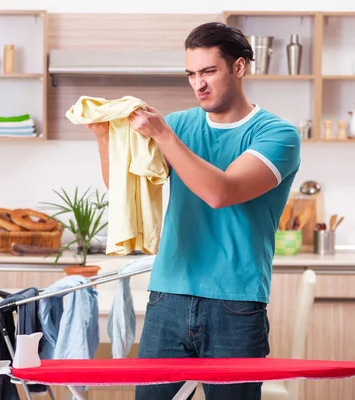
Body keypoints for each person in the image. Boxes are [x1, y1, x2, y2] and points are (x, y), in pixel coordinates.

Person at [86, 22, 301, 400]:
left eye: (208, 72)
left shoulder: (277, 135)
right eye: (191, 74)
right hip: (167, 297)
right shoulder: (181, 124)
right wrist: (104, 137)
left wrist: (164, 136)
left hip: (236, 304)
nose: (198, 84)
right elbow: (124, 189)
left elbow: (222, 191)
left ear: (238, 67)